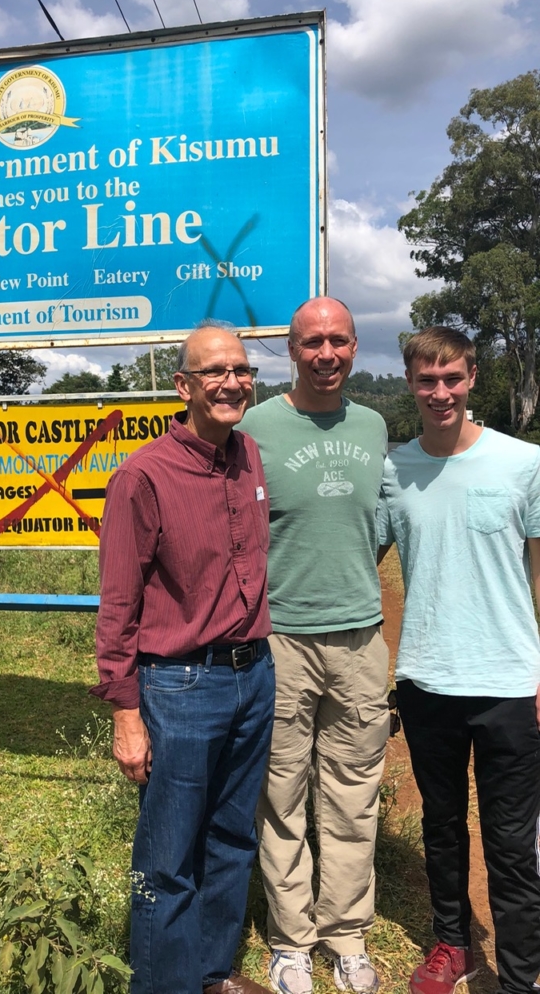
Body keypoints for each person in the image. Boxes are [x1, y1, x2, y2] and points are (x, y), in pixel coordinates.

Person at [92, 324, 276, 994]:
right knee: (167, 859)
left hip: (253, 676)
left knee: (232, 840)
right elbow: (119, 603)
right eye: (214, 372)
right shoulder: (142, 476)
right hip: (181, 685)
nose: (232, 382)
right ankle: (163, 984)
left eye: (241, 369)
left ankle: (211, 974)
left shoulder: (248, 455)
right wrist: (125, 712)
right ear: (184, 387)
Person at [377, 326, 540, 994]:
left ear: (473, 377)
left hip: (508, 682)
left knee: (510, 841)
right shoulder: (394, 471)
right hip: (426, 679)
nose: (440, 392)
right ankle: (454, 944)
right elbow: (361, 563)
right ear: (410, 383)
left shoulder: (522, 463)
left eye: (452, 379)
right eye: (426, 380)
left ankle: (522, 974)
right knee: (441, 827)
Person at [239, 296, 389, 994]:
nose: (326, 354)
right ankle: (291, 940)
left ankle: (347, 934)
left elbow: (379, 524)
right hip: (282, 640)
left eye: (339, 341)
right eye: (311, 343)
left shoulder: (375, 426)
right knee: (282, 795)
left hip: (360, 636)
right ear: (291, 351)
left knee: (354, 794)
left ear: (355, 347)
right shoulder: (257, 426)